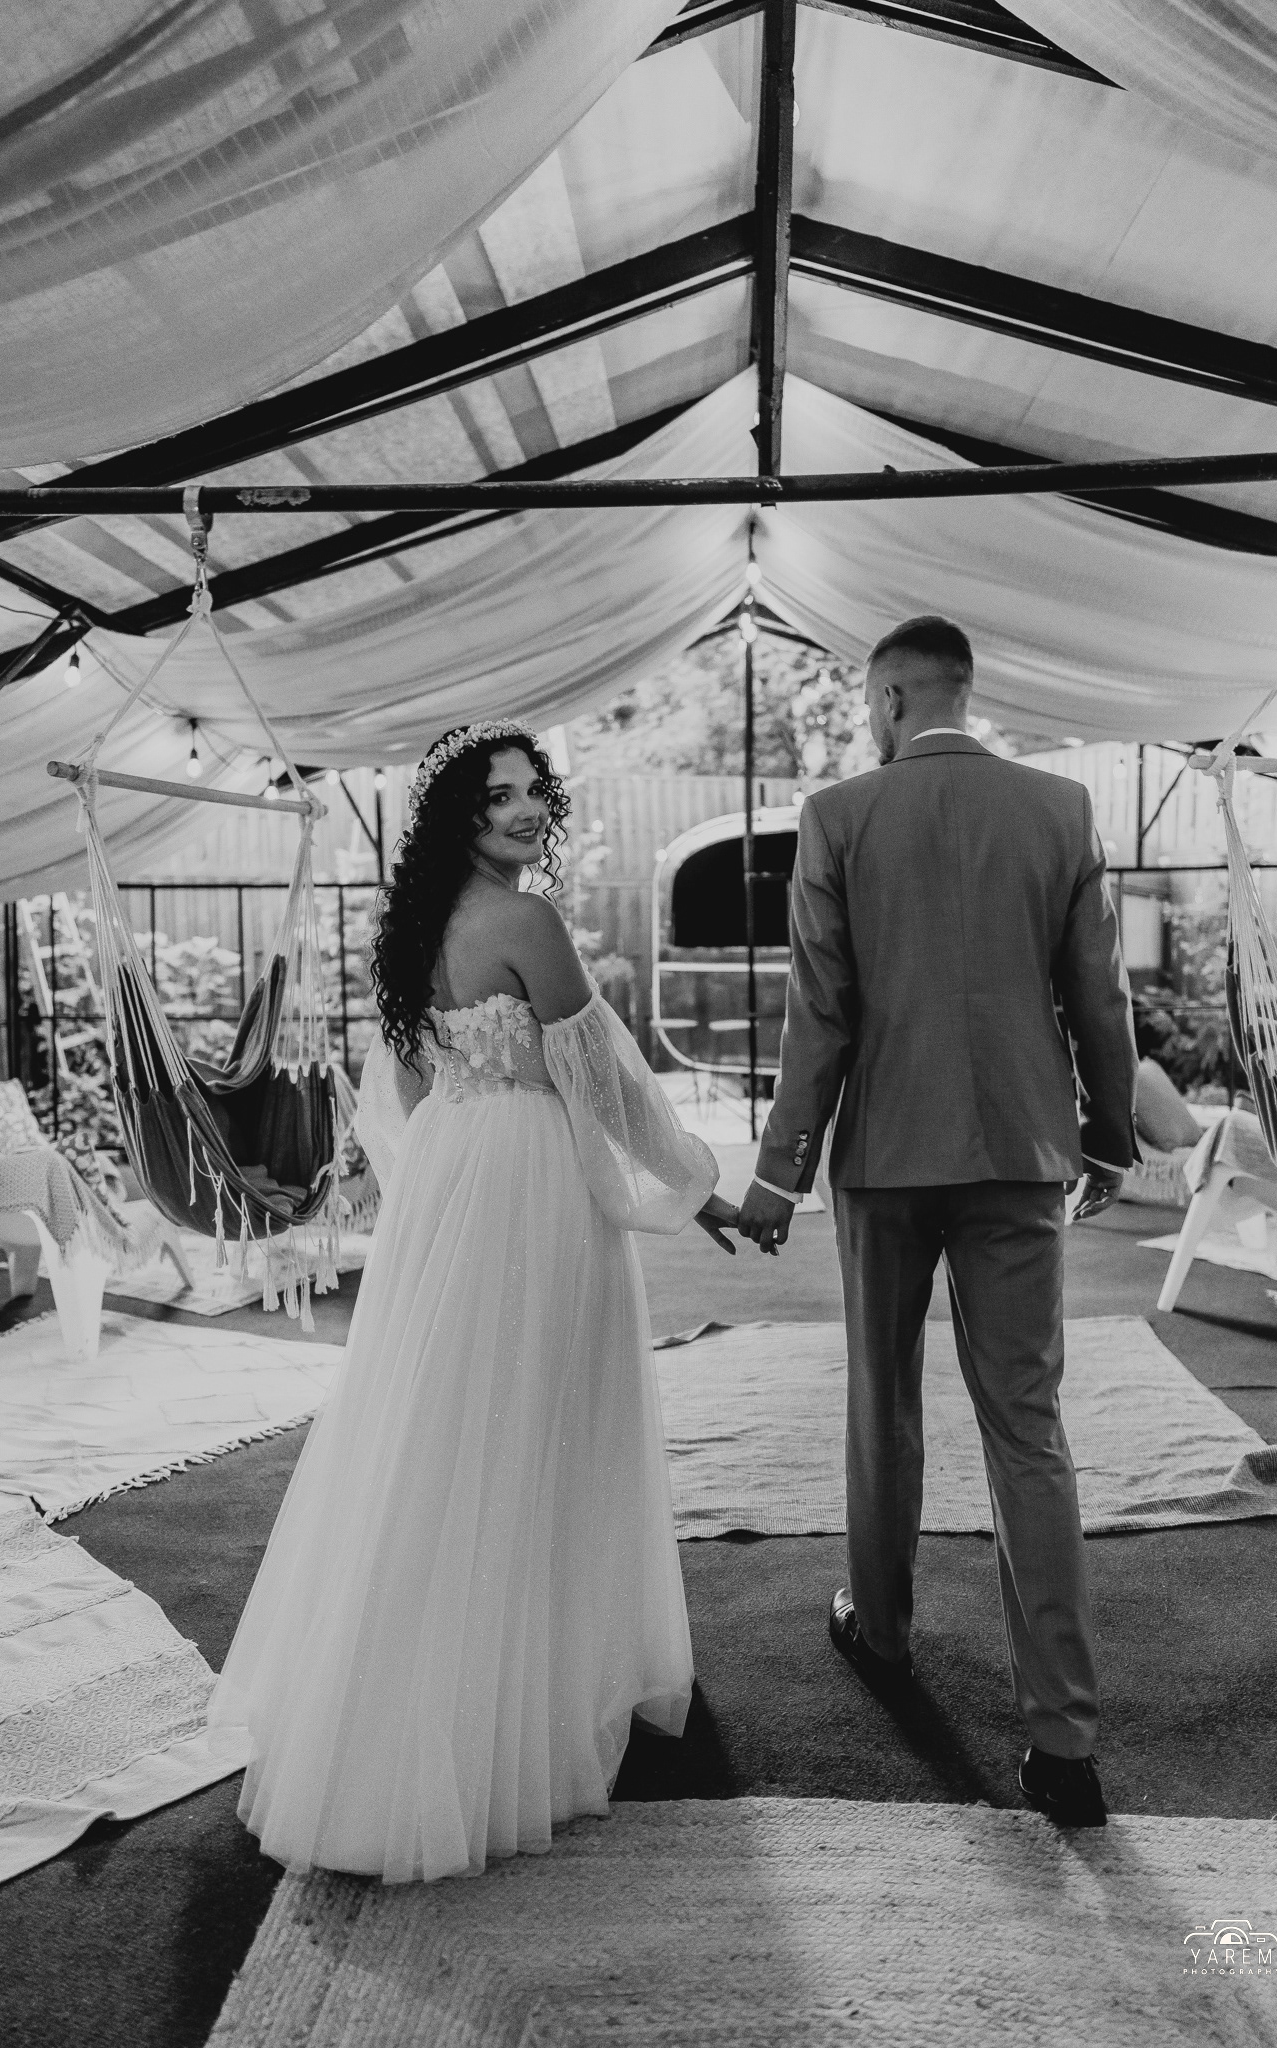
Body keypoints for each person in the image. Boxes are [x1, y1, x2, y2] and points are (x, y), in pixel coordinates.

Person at [209, 721, 739, 1882]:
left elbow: (411, 1087)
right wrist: (705, 1187)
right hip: (530, 1183)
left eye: (534, 789)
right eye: (501, 795)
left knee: (444, 1425)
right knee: (546, 1419)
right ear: (460, 813)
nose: (527, 808)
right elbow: (608, 1087)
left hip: (453, 1174)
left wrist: (427, 1186)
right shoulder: (526, 921)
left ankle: (404, 1683)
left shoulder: (419, 929)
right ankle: (523, 1692)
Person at [737, 616, 1137, 1828]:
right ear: (966, 688)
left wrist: (777, 1172)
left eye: (871, 702)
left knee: (884, 1397)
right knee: (1029, 1424)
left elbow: (819, 1012)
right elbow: (1099, 993)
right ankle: (1064, 1743)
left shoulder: (838, 815)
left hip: (885, 1154)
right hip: (1018, 1152)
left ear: (892, 697)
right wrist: (1109, 1133)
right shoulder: (1061, 807)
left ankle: (883, 1628)